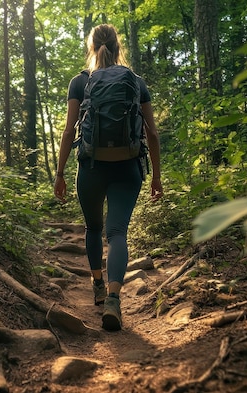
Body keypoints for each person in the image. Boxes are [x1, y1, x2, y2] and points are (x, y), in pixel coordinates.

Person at [53, 24, 163, 331]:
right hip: (128, 168)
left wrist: (60, 173)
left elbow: (68, 131)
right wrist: (156, 176)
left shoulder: (80, 82)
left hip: (91, 168)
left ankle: (98, 286)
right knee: (117, 233)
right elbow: (152, 134)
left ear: (92, 47)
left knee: (93, 228)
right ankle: (115, 299)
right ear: (118, 47)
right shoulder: (136, 81)